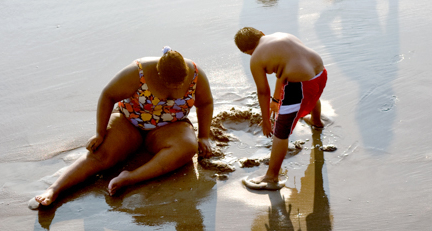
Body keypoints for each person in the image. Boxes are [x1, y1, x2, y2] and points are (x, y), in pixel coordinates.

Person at [30, 47, 214, 208]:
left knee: (189, 147)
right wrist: (100, 133)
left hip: (170, 127)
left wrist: (204, 136)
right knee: (100, 155)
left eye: (180, 83)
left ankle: (130, 177)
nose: (176, 87)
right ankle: (54, 189)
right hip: (129, 122)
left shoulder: (196, 75)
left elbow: (205, 103)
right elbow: (108, 95)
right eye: (170, 84)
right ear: (159, 73)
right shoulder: (138, 72)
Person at [234, 28, 327, 191]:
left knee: (281, 130)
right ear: (261, 34)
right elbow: (284, 72)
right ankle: (317, 121)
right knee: (312, 97)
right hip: (320, 73)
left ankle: (271, 176)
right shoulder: (283, 36)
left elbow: (263, 91)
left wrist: (266, 121)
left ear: (247, 51)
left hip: (300, 84)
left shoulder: (255, 58)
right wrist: (276, 100)